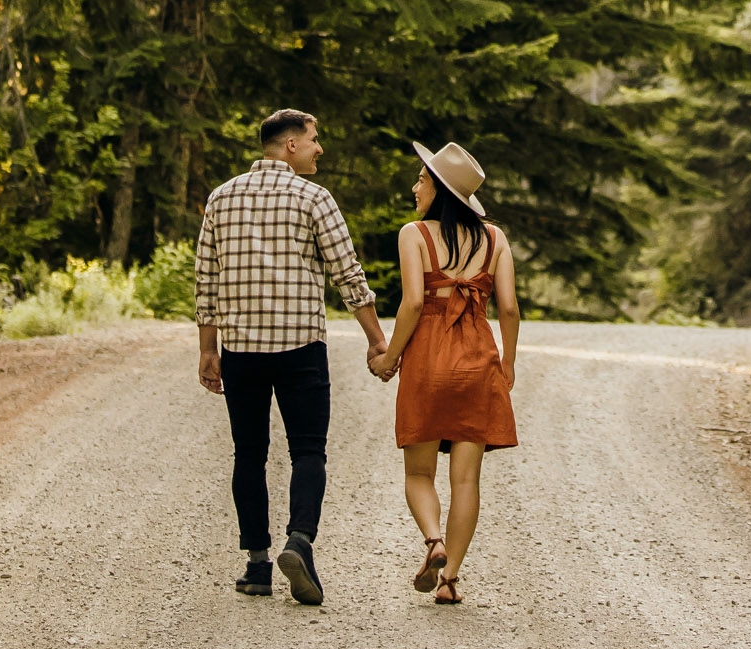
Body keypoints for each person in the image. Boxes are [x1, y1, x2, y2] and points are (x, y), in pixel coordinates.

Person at [195, 108, 386, 608]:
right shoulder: (314, 197)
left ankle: (257, 564)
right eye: (315, 139)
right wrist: (376, 340)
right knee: (307, 451)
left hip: (241, 351)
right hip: (300, 346)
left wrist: (207, 351)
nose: (320, 148)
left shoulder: (222, 197)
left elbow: (205, 284)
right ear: (290, 145)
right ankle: (299, 541)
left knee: (249, 454)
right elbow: (349, 275)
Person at [369, 139, 518, 604]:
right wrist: (507, 363)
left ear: (438, 189)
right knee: (467, 480)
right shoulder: (496, 239)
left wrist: (390, 356)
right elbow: (509, 309)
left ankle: (433, 540)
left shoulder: (413, 234)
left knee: (419, 473)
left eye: (421, 179)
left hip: (428, 358)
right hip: (477, 357)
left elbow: (413, 302)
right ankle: (450, 578)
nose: (415, 186)